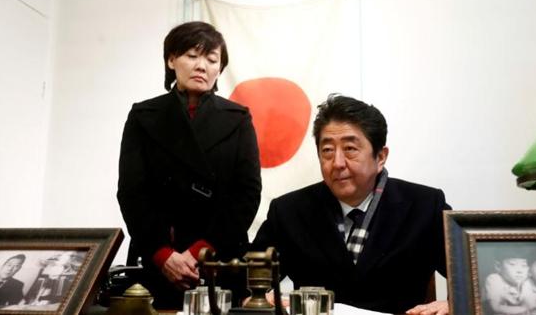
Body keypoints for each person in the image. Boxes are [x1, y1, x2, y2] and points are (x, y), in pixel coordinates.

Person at [252, 94, 451, 315]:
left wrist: (453, 303)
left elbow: (476, 273)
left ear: (381, 156)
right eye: (327, 150)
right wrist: (260, 298)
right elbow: (248, 279)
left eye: (350, 149)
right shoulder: (289, 211)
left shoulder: (425, 206)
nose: (337, 163)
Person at [117, 21, 262, 309]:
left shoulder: (238, 118)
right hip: (159, 259)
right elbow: (132, 192)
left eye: (211, 60)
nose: (202, 66)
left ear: (219, 69)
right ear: (171, 60)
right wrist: (162, 255)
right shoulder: (144, 116)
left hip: (218, 259)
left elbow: (246, 195)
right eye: (192, 56)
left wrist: (199, 252)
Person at [483, 248, 529, 315]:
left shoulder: (525, 282)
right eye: (512, 264)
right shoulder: (494, 279)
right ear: (498, 266)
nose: (520, 271)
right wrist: (526, 308)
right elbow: (496, 308)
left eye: (524, 265)